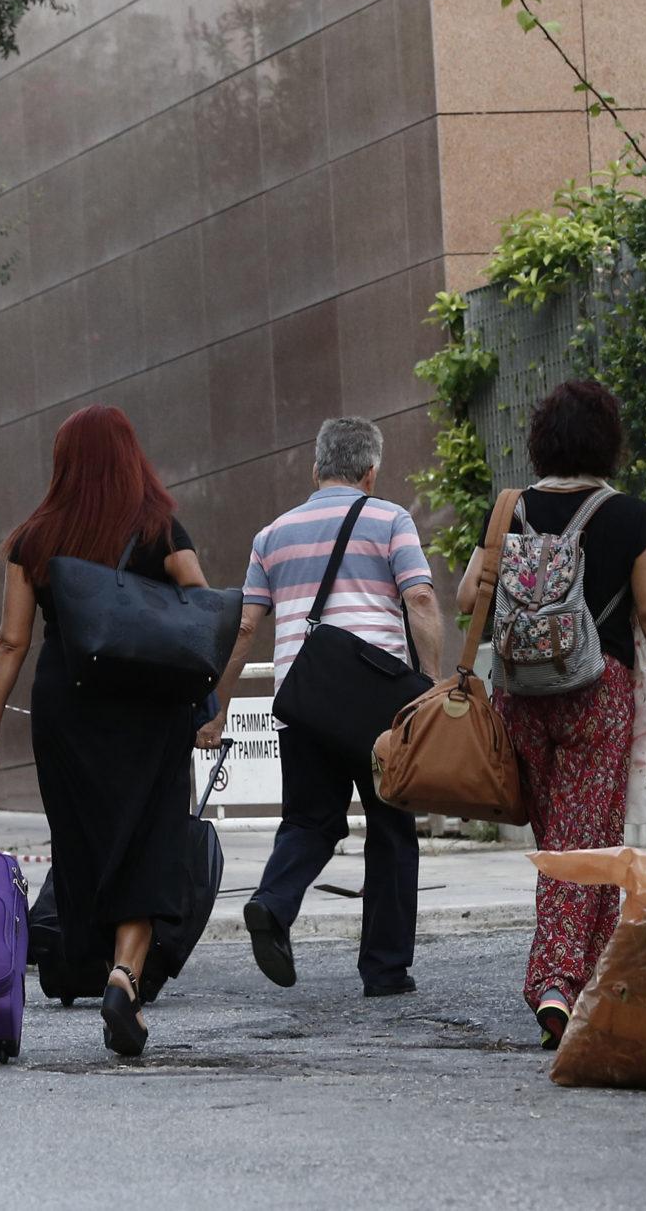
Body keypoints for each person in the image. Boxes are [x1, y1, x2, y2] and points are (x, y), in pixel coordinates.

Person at [457, 379, 646, 1048]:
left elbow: (464, 597)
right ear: (607, 441)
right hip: (598, 694)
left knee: (565, 846)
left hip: (521, 697)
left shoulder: (510, 507)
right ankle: (556, 980)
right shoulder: (625, 515)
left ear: (543, 440)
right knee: (584, 845)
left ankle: (593, 985)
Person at [0, 405, 207, 1059]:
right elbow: (202, 607)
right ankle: (126, 975)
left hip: (68, 708)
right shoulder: (158, 527)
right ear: (130, 455)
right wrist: (208, 704)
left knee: (88, 845)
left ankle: (107, 966)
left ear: (62, 464)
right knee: (148, 840)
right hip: (149, 708)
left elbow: (10, 642)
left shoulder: (33, 537)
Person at [199, 417, 443, 998]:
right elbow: (421, 598)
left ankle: (273, 904)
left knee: (311, 820)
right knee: (390, 828)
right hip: (379, 709)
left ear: (315, 470)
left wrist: (218, 709)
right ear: (371, 472)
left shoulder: (272, 535)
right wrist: (431, 686)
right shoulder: (389, 519)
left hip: (304, 704)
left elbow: (246, 628)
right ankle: (385, 971)